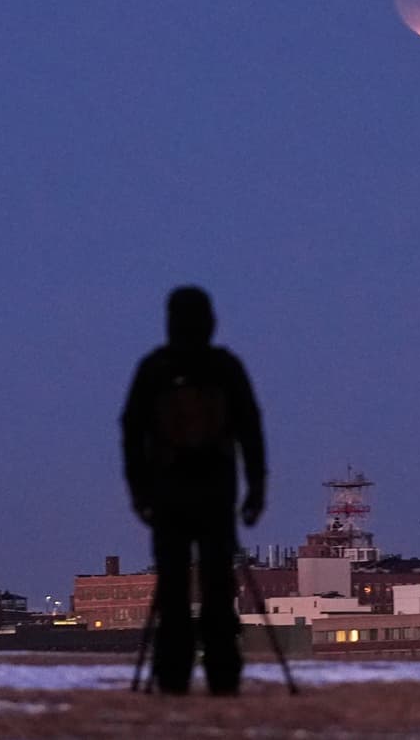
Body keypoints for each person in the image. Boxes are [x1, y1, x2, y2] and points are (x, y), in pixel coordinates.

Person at [120, 286, 266, 696]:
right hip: (216, 492)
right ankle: (223, 673)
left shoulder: (155, 368)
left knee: (173, 586)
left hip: (169, 494)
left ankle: (173, 674)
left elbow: (132, 432)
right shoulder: (225, 367)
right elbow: (251, 431)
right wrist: (255, 491)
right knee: (218, 585)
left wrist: (140, 491)